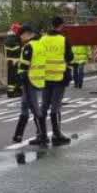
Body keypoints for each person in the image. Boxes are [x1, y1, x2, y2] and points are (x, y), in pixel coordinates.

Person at [30, 17, 71, 146]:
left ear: (51, 25)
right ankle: (56, 134)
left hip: (45, 78)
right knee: (55, 106)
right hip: (59, 77)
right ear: (61, 26)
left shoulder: (42, 40)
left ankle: (42, 135)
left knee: (44, 106)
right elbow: (70, 57)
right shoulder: (63, 40)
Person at [10, 25, 40, 143]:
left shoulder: (29, 46)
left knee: (33, 108)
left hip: (29, 80)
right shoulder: (39, 44)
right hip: (35, 79)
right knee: (25, 107)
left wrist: (20, 78)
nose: (21, 38)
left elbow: (25, 65)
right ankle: (18, 135)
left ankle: (40, 134)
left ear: (28, 34)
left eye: (22, 35)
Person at [2, 23, 23, 97]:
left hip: (10, 60)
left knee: (11, 77)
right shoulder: (14, 39)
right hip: (15, 60)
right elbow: (18, 49)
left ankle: (11, 92)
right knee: (15, 77)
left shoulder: (9, 38)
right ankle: (15, 92)